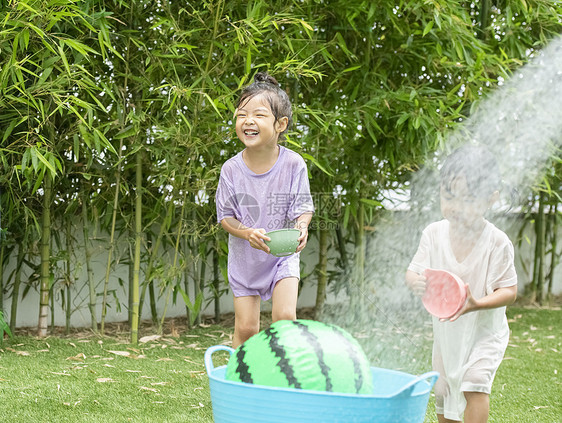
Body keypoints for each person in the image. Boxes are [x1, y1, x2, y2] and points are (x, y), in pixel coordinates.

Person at [405, 145, 518, 423]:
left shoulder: (496, 242)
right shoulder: (433, 233)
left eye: (468, 200)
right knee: (443, 389)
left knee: (474, 381)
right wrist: (416, 283)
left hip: (484, 332)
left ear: (491, 199)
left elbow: (509, 291)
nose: (455, 207)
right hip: (448, 332)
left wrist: (477, 303)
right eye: (449, 196)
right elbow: (413, 272)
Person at [216, 72, 314, 348]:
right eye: (241, 114)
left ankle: (284, 379)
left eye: (258, 115)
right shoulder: (231, 169)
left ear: (280, 124)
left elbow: (303, 207)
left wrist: (302, 226)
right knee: (246, 329)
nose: (248, 121)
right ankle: (239, 385)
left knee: (284, 318)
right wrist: (246, 233)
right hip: (245, 259)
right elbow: (226, 217)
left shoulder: (294, 164)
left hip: (282, 254)